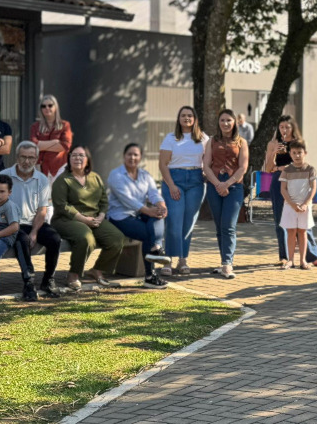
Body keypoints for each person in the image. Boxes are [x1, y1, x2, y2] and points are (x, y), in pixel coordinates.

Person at [52, 146, 129, 289]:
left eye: (81, 155)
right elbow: (62, 206)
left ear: (88, 160)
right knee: (87, 239)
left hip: (94, 218)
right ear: (69, 159)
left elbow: (104, 201)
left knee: (116, 238)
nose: (77, 158)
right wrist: (83, 219)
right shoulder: (63, 180)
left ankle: (97, 270)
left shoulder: (95, 177)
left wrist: (100, 216)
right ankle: (73, 274)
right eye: (74, 155)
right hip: (67, 220)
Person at [0, 141, 66, 297]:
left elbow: (42, 209)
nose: (27, 161)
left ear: (37, 159)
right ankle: (28, 284)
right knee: (22, 240)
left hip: (33, 222)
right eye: (23, 157)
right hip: (10, 224)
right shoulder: (4, 176)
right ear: (16, 157)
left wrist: (35, 232)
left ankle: (48, 281)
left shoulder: (42, 179)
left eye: (31, 158)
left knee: (55, 239)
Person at [262, 114, 317, 267]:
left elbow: (304, 163)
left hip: (298, 182)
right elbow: (267, 168)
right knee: (280, 220)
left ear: (293, 128)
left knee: (303, 219)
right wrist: (274, 153)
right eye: (281, 127)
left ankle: (312, 256)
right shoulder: (273, 143)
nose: (284, 130)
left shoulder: (298, 143)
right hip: (279, 182)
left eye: (287, 127)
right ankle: (285, 257)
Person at [106, 142, 170, 288]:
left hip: (138, 214)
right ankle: (150, 274)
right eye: (129, 154)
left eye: (136, 154)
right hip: (119, 216)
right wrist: (148, 210)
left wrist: (161, 205)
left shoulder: (145, 175)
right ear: (124, 156)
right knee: (147, 233)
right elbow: (128, 200)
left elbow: (154, 193)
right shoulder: (115, 175)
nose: (132, 157)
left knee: (158, 216)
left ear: (140, 157)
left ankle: (156, 248)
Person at [159, 106, 209, 274]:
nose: (186, 118)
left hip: (196, 181)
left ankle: (182, 260)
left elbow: (208, 162)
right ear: (178, 119)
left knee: (188, 223)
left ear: (194, 118)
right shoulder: (170, 138)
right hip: (174, 180)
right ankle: (168, 261)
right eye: (183, 115)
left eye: (189, 115)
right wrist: (171, 185)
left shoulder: (203, 139)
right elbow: (163, 164)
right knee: (174, 221)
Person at [202, 109, 249, 279]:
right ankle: (224, 262)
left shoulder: (241, 142)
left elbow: (243, 167)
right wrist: (217, 184)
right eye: (222, 120)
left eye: (229, 120)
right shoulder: (212, 141)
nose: (225, 123)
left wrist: (227, 184)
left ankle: (228, 263)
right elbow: (206, 165)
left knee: (229, 226)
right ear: (218, 122)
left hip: (234, 187)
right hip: (215, 185)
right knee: (220, 227)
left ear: (235, 122)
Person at [0, 175, 37, 302]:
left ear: (9, 192)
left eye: (2, 191)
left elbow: (14, 227)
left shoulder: (10, 206)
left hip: (4, 238)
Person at [279, 140, 317, 268]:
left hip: (304, 206)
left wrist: (305, 203)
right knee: (291, 232)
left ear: (305, 153)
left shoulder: (310, 169)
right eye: (294, 153)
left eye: (299, 153)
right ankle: (290, 260)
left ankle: (303, 261)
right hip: (290, 205)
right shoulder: (286, 170)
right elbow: (283, 189)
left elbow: (313, 188)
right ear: (290, 154)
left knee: (302, 232)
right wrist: (292, 204)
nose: (297, 155)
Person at [31, 94, 73, 178]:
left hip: (60, 168)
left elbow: (65, 146)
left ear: (55, 107)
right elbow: (34, 146)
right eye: (44, 106)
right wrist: (55, 142)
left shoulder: (65, 125)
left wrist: (42, 145)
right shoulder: (35, 126)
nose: (47, 108)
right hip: (41, 169)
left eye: (50, 105)